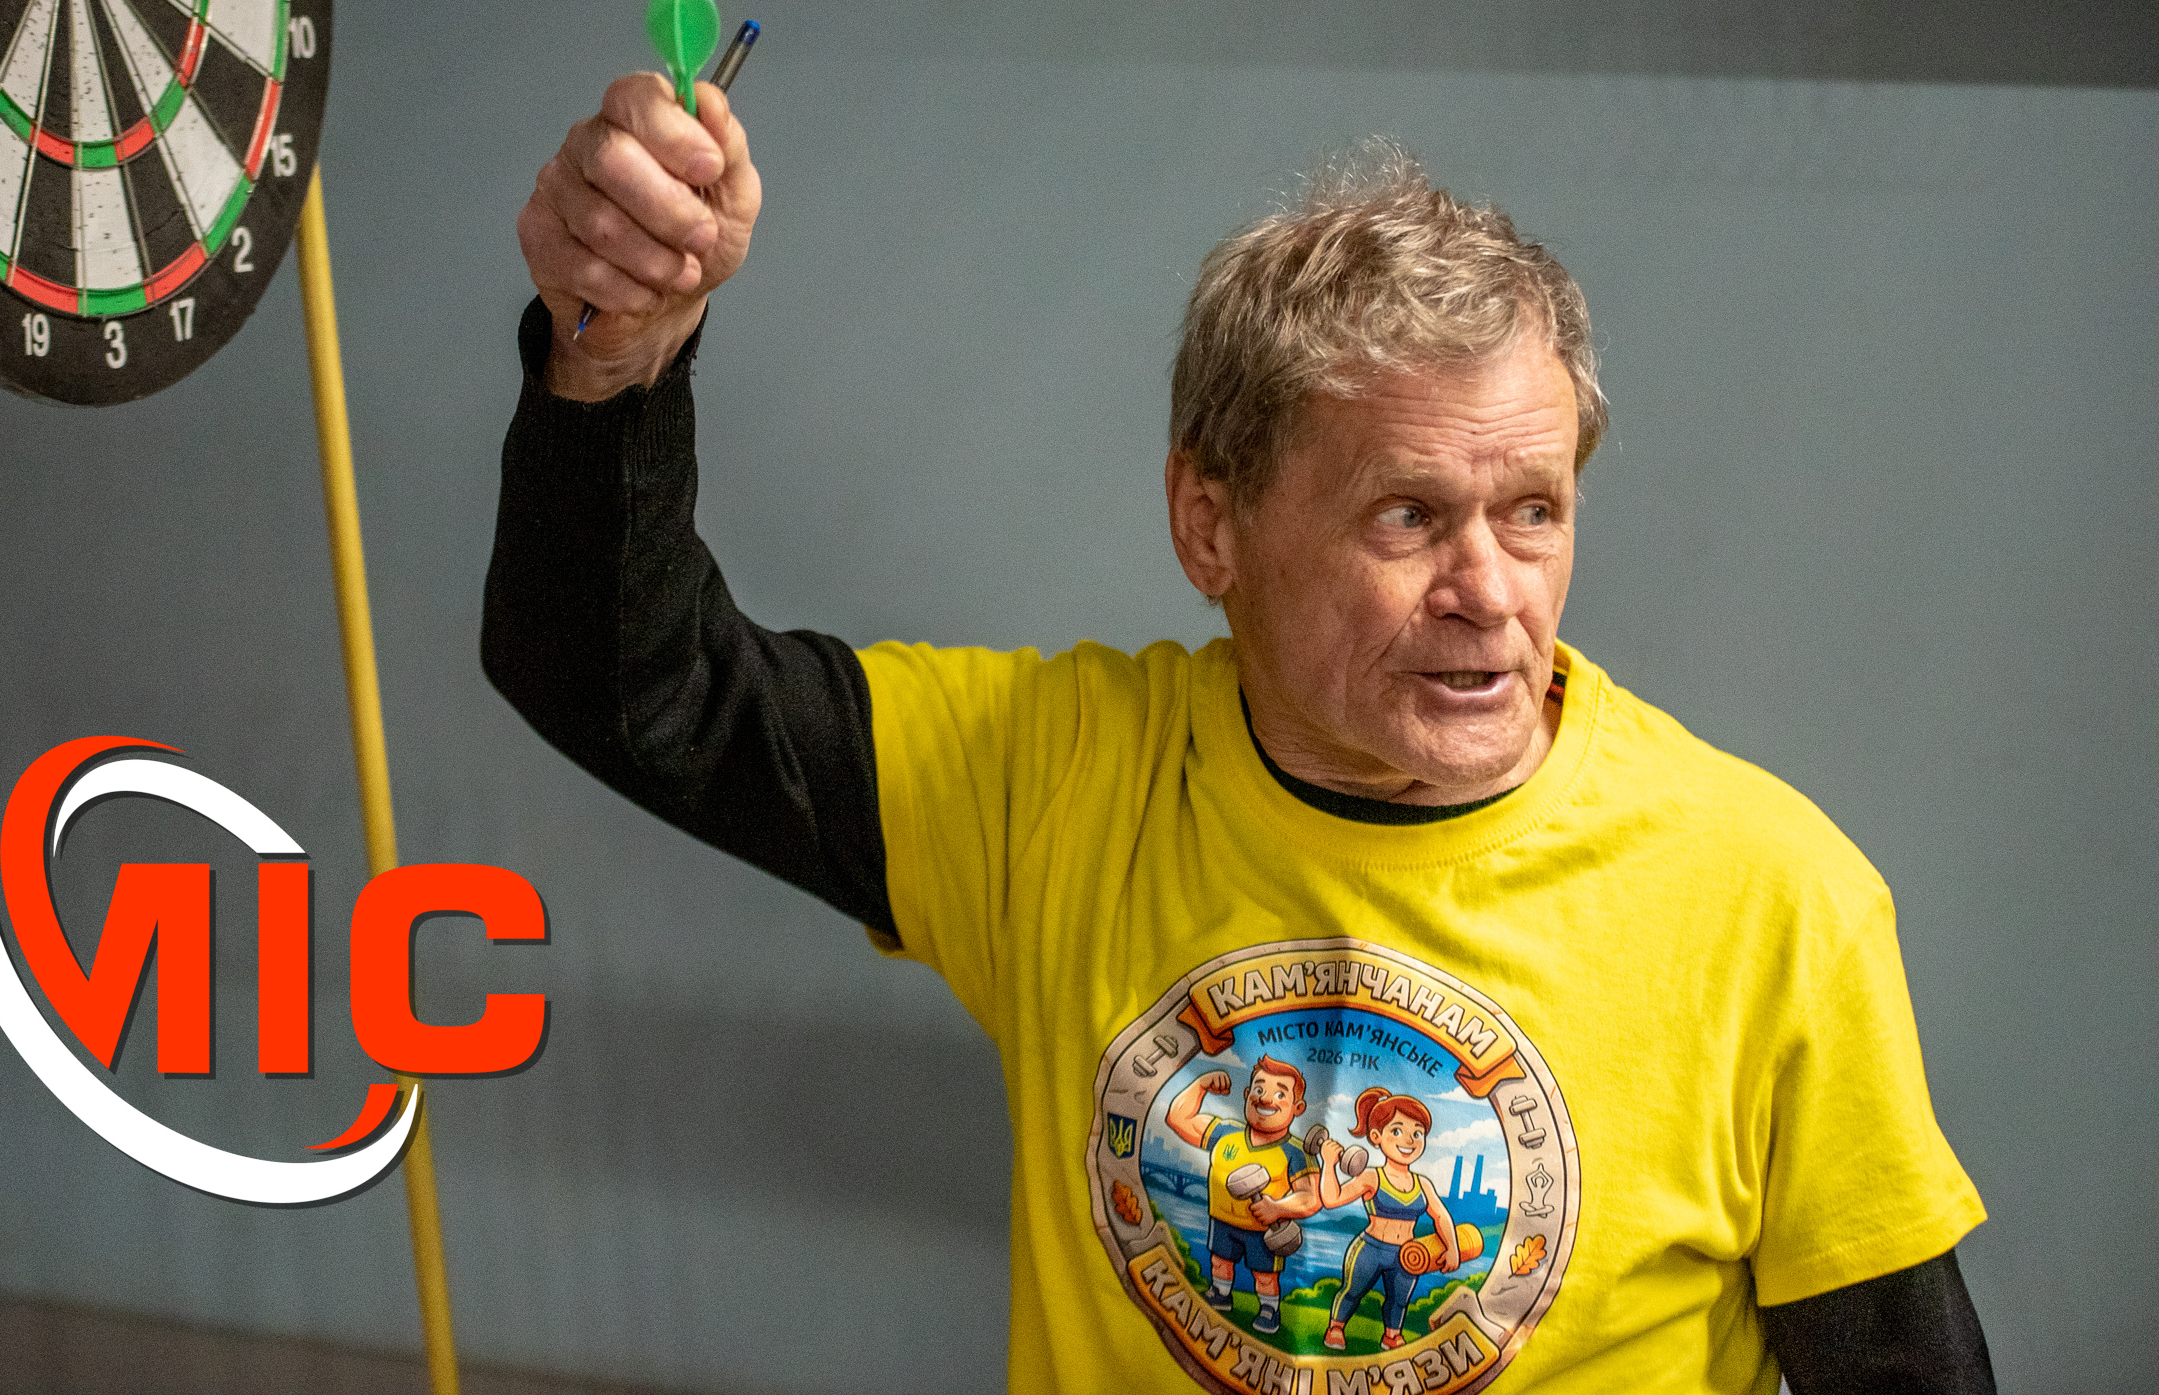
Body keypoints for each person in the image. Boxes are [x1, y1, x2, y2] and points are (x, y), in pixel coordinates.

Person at [485, 73, 1996, 1392]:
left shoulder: (1772, 898)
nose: (1491, 591)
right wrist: (612, 359)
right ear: (1209, 524)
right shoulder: (1051, 782)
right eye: (1408, 515)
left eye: (1533, 510)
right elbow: (626, 685)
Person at [1289, 1086, 1462, 1354]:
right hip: (1370, 1249)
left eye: (1417, 1133)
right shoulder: (1372, 1177)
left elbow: (1441, 1216)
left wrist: (1452, 1248)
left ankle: (1392, 1336)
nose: (1409, 1140)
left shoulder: (1423, 1184)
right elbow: (1332, 1199)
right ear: (1376, 1136)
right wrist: (1329, 1164)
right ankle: (1336, 1328)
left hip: (1406, 1254)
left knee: (1399, 1300)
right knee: (1352, 1291)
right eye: (1397, 1131)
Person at [1161, 1057, 1319, 1337]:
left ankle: (1269, 1309)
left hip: (1264, 1231)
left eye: (1280, 1094)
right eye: (1259, 1089)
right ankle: (1220, 1293)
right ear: (1247, 1094)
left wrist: (1277, 1208)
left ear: (1298, 1108)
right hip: (1222, 1220)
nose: (1265, 1098)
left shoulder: (1296, 1152)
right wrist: (1200, 1085)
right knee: (1220, 1262)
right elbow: (1178, 1119)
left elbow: (1311, 1197)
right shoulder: (1225, 1133)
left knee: (1265, 1276)